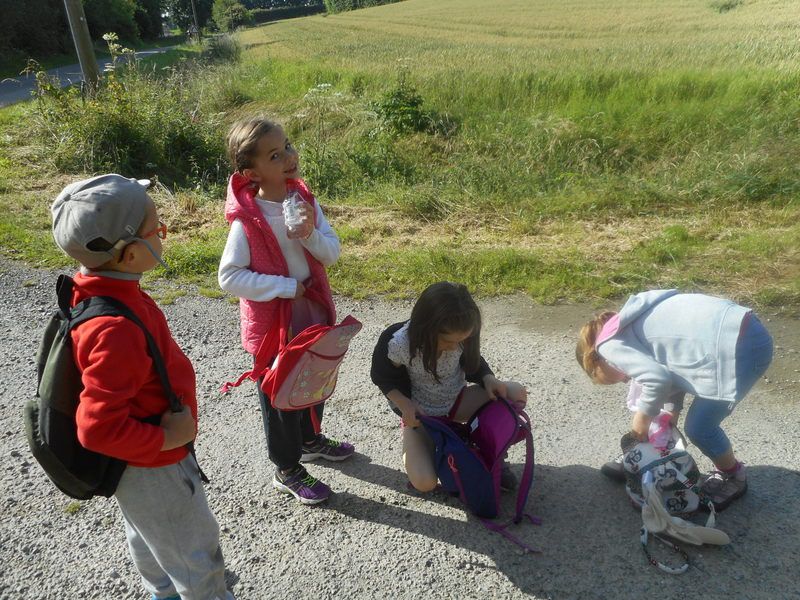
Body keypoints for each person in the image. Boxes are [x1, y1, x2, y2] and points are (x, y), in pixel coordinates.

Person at [51, 174, 233, 600]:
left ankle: (165, 591)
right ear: (132, 253)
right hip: (154, 464)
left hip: (136, 470)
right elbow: (96, 428)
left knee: (150, 533)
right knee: (195, 553)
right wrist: (168, 437)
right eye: (159, 229)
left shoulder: (104, 289)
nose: (164, 233)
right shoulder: (114, 329)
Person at [218, 116, 354, 506]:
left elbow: (331, 253)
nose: (289, 157)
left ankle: (310, 439)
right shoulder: (248, 221)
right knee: (278, 391)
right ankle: (286, 467)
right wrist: (285, 287)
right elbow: (229, 278)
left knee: (313, 374)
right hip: (273, 326)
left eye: (288, 146)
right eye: (275, 155)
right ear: (251, 172)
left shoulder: (305, 202)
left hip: (310, 314)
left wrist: (310, 234)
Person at [575, 289, 773, 511]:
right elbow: (671, 372)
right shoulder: (629, 324)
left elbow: (656, 379)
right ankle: (646, 457)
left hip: (739, 348)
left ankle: (734, 476)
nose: (627, 380)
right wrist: (668, 416)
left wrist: (639, 426)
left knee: (700, 427)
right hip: (738, 330)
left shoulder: (607, 345)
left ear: (595, 361)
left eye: (622, 379)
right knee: (664, 417)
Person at [370, 281, 528, 492]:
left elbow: (473, 363)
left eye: (462, 340)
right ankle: (442, 447)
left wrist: (488, 378)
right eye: (447, 341)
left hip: (457, 401)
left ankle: (489, 453)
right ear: (425, 328)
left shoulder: (462, 333)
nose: (455, 347)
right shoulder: (398, 343)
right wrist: (405, 405)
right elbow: (382, 377)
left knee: (515, 392)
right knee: (424, 483)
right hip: (421, 416)